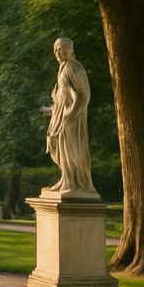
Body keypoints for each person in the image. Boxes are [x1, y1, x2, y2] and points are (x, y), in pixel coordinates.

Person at [40, 37, 96, 195]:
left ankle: (75, 183)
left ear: (71, 51)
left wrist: (68, 116)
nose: (60, 52)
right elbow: (64, 97)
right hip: (62, 117)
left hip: (72, 119)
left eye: (64, 49)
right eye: (57, 49)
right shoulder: (63, 68)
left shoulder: (73, 67)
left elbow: (83, 96)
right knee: (59, 147)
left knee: (70, 149)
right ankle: (67, 179)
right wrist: (50, 110)